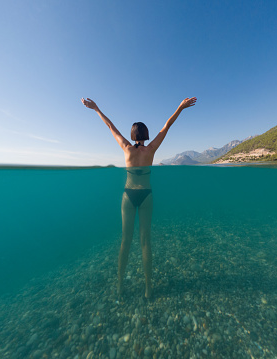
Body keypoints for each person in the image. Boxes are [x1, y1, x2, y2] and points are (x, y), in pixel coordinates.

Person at [81, 97, 197, 299]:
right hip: (146, 195)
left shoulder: (126, 148)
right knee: (145, 242)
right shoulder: (151, 150)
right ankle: (148, 288)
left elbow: (110, 127)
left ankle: (119, 286)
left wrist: (96, 108)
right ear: (146, 135)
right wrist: (180, 107)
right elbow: (167, 126)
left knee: (125, 241)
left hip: (128, 195)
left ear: (132, 135)